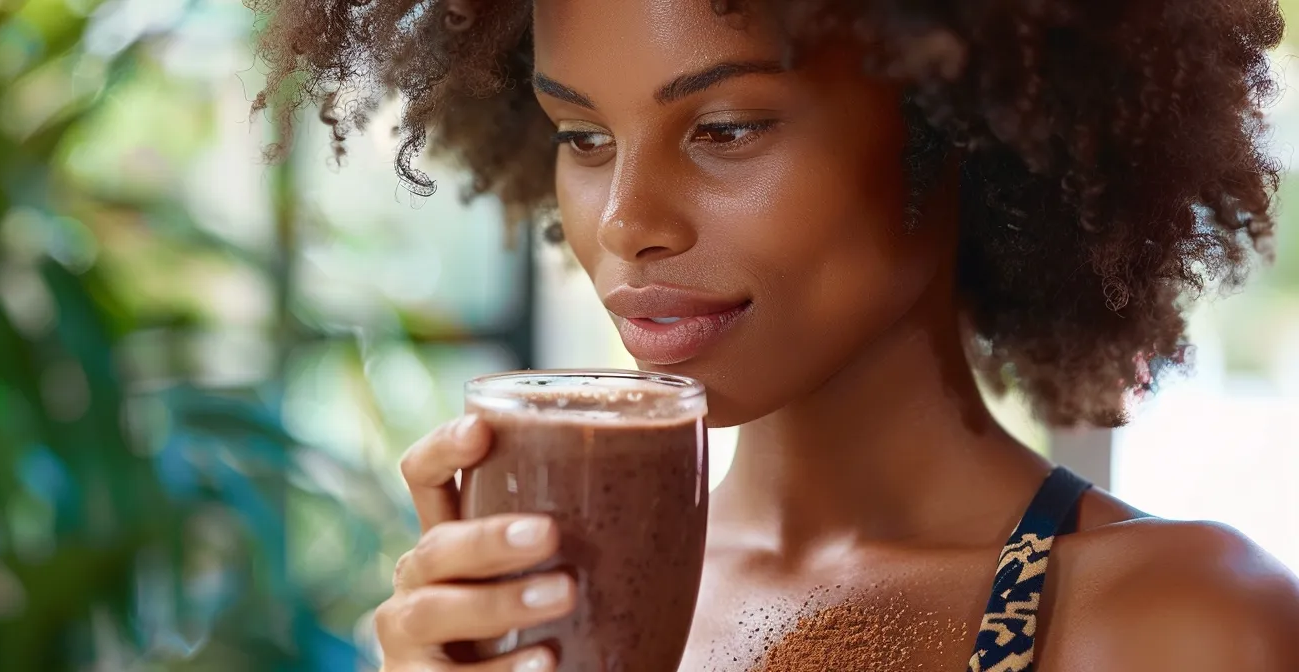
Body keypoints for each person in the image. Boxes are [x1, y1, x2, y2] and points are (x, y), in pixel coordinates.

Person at [252, 0, 1299, 669]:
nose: (624, 221)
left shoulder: (1176, 625)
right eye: (582, 138)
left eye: (723, 129)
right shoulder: (544, 612)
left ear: (957, 126)